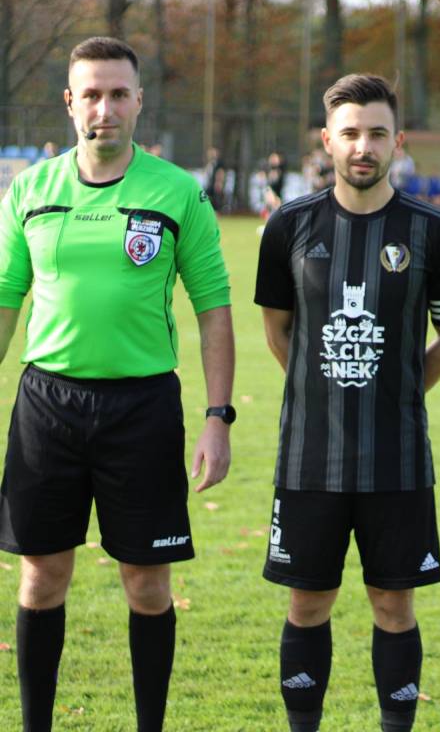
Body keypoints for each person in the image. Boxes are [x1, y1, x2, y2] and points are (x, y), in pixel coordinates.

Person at [0, 36, 234, 731]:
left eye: (118, 94)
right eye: (92, 95)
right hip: (47, 405)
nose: (105, 108)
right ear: (70, 103)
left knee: (148, 584)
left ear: (139, 101)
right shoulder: (30, 191)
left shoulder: (176, 192)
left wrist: (218, 416)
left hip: (143, 409)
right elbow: (6, 300)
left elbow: (214, 309)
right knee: (41, 577)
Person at [255, 73, 440, 732]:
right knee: (307, 606)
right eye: (350, 133)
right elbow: (277, 330)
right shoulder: (289, 226)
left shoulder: (433, 232)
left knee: (393, 607)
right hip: (309, 460)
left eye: (377, 133)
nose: (363, 146)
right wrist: (324, 388)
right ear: (327, 140)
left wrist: (396, 391)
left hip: (396, 462)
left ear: (397, 142)